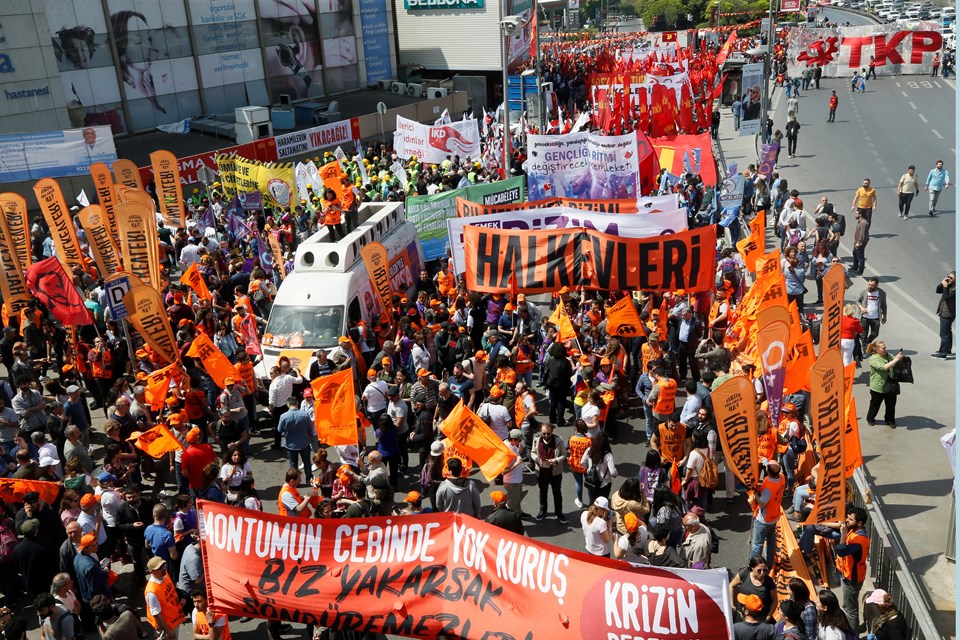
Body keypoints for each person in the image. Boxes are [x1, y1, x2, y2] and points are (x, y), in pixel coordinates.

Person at [835, 507, 870, 633]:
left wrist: (843, 534)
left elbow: (841, 551)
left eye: (850, 519)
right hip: (848, 574)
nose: (846, 521)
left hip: (851, 579)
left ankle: (853, 634)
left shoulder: (859, 541)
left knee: (849, 609)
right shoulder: (856, 531)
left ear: (859, 523)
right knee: (851, 606)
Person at [748, 461, 785, 568]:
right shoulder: (781, 477)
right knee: (771, 542)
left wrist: (756, 496)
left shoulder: (768, 485)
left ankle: (753, 567)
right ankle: (769, 563)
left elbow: (762, 502)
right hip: (775, 515)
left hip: (764, 519)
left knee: (757, 545)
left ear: (767, 470)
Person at [531, 422, 567, 523]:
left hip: (555, 473)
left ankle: (559, 513)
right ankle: (543, 511)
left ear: (552, 432)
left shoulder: (558, 441)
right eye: (544, 433)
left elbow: (564, 454)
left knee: (557, 493)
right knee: (543, 492)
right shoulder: (536, 439)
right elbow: (533, 452)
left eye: (548, 433)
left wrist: (556, 460)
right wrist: (537, 459)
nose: (546, 436)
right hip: (541, 472)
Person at [144, 556, 185, 640]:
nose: (163, 568)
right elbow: (156, 614)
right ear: (151, 571)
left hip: (173, 619)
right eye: (159, 568)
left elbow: (171, 590)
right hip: (167, 625)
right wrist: (168, 631)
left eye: (163, 565)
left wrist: (180, 599)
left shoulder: (164, 575)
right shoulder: (152, 592)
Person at [277, 396, 318, 477]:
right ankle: (309, 478)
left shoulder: (283, 416)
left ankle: (295, 481)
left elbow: (279, 430)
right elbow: (311, 429)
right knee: (307, 462)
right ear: (297, 404)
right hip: (304, 444)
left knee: (293, 465)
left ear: (288, 405)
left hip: (290, 445)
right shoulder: (305, 415)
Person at [865, 341, 903, 427]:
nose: (885, 349)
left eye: (885, 347)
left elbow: (895, 361)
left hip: (890, 385)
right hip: (878, 386)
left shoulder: (889, 355)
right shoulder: (873, 359)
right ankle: (870, 418)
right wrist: (896, 359)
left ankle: (890, 420)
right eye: (883, 348)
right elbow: (884, 368)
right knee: (875, 405)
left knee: (891, 405)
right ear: (876, 349)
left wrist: (899, 358)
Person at [730, 555, 777, 623]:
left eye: (765, 570)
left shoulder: (769, 582)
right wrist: (732, 604)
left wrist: (768, 617)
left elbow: (774, 601)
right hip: (742, 614)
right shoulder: (744, 574)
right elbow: (731, 586)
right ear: (752, 568)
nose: (762, 573)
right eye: (759, 570)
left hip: (760, 618)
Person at [857, 277, 887, 348]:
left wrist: (885, 316)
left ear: (877, 285)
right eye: (869, 284)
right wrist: (861, 308)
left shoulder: (881, 293)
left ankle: (867, 343)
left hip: (875, 317)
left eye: (872, 285)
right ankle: (865, 350)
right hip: (865, 317)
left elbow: (884, 305)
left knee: (875, 334)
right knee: (863, 335)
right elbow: (857, 301)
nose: (870, 286)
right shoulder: (864, 291)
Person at [933, 271, 956, 359]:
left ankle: (942, 354)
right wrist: (942, 284)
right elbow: (938, 290)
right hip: (944, 312)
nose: (949, 279)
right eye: (948, 277)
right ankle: (948, 350)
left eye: (951, 278)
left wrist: (946, 287)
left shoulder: (955, 289)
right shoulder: (950, 285)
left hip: (948, 313)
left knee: (944, 334)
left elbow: (946, 297)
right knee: (947, 332)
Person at [851, 209, 869, 275]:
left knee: (860, 256)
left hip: (860, 243)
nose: (855, 215)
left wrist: (859, 242)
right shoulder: (860, 222)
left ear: (860, 215)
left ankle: (860, 271)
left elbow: (862, 234)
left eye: (856, 214)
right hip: (856, 241)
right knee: (855, 254)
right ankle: (855, 267)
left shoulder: (863, 223)